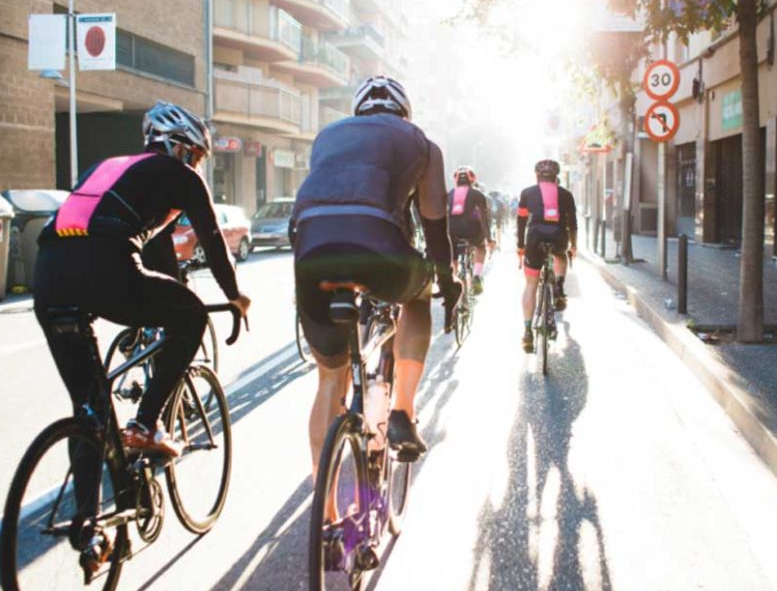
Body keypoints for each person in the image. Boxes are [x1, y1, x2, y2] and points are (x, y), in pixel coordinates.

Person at [33, 101, 252, 458]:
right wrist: (234, 295)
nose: (197, 166)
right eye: (196, 156)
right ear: (180, 147)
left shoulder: (109, 167)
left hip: (48, 274)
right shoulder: (180, 175)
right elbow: (212, 241)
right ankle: (145, 424)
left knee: (90, 410)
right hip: (104, 266)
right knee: (193, 315)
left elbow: (155, 248)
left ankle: (86, 512)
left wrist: (165, 292)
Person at [291, 76, 461, 471]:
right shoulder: (421, 143)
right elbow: (434, 224)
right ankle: (402, 410)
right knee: (417, 295)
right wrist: (447, 281)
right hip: (379, 249)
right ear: (405, 112)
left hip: (312, 251)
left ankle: (327, 516)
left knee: (328, 382)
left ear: (358, 112)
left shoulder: (328, 136)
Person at [517, 158, 577, 353]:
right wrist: (573, 246)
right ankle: (558, 286)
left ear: (537, 176)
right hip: (559, 237)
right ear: (556, 177)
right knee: (561, 256)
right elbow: (572, 224)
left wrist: (520, 246)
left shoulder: (527, 193)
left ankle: (527, 331)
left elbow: (521, 221)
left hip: (534, 238)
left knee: (531, 284)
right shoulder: (566, 195)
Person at [447, 166, 492, 294]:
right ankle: (477, 276)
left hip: (452, 230)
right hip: (472, 230)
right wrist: (488, 238)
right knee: (480, 247)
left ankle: (454, 276)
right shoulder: (478, 194)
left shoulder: (449, 194)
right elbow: (484, 218)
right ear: (472, 180)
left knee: (452, 253)